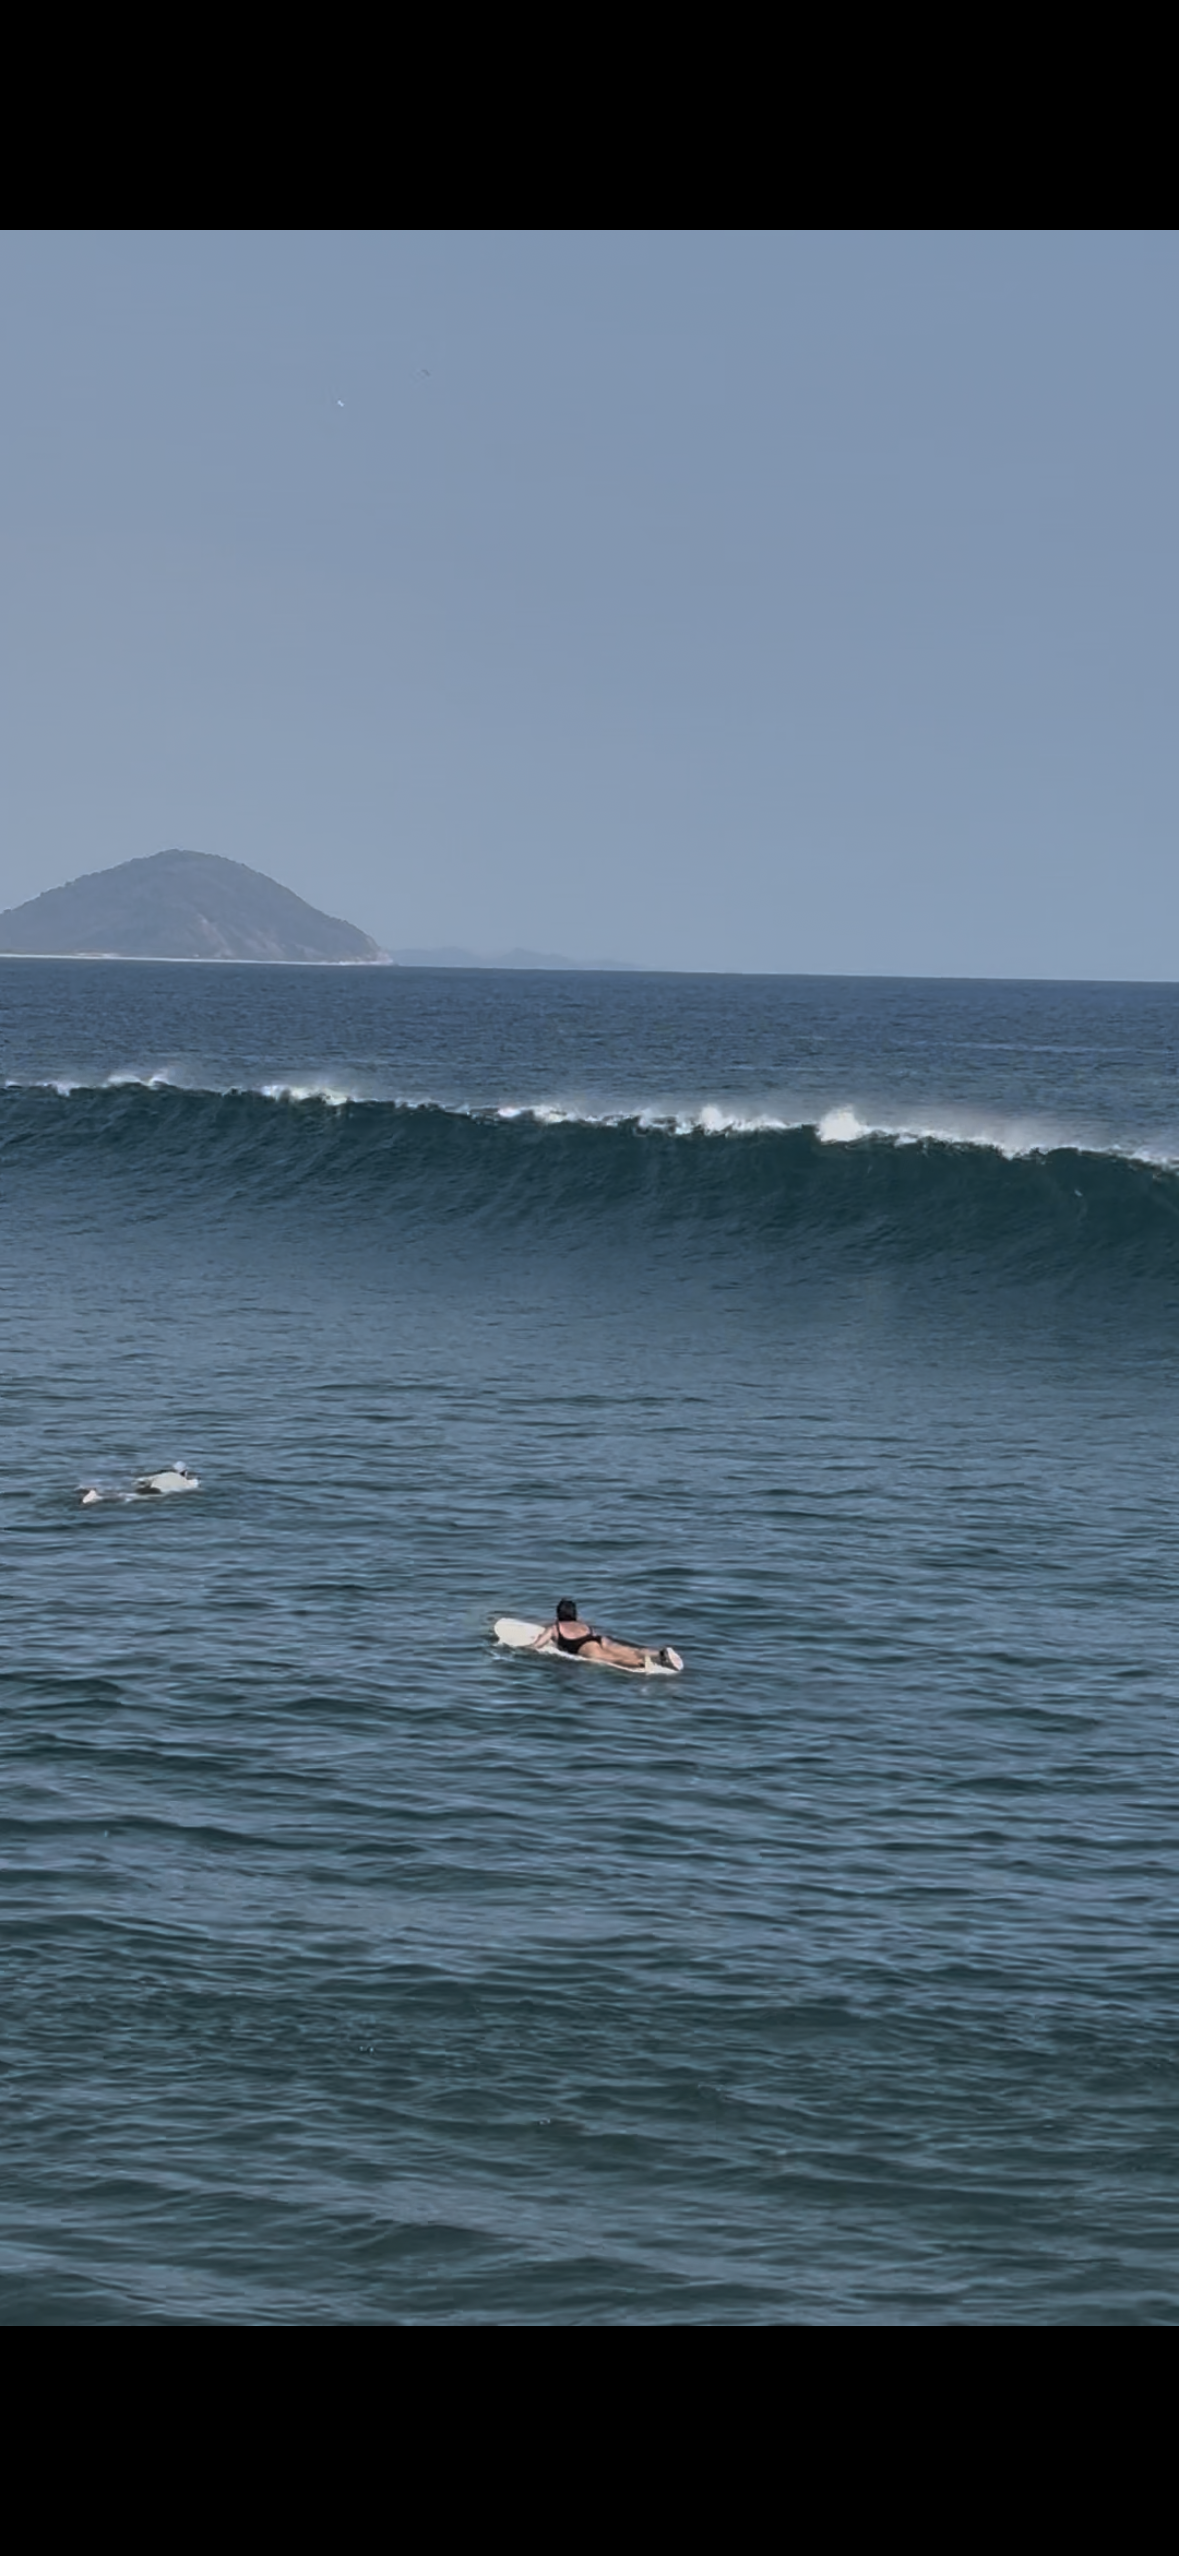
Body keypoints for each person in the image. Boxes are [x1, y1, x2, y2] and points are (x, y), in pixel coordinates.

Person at [532, 1598, 679, 1672]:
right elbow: (593, 1634)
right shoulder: (583, 1624)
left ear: (558, 1613)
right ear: (574, 1613)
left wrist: (520, 1649)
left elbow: (537, 1646)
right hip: (597, 1638)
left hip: (583, 1646)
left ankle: (641, 1664)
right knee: (630, 1650)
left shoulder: (555, 1628)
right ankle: (660, 1654)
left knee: (612, 1658)